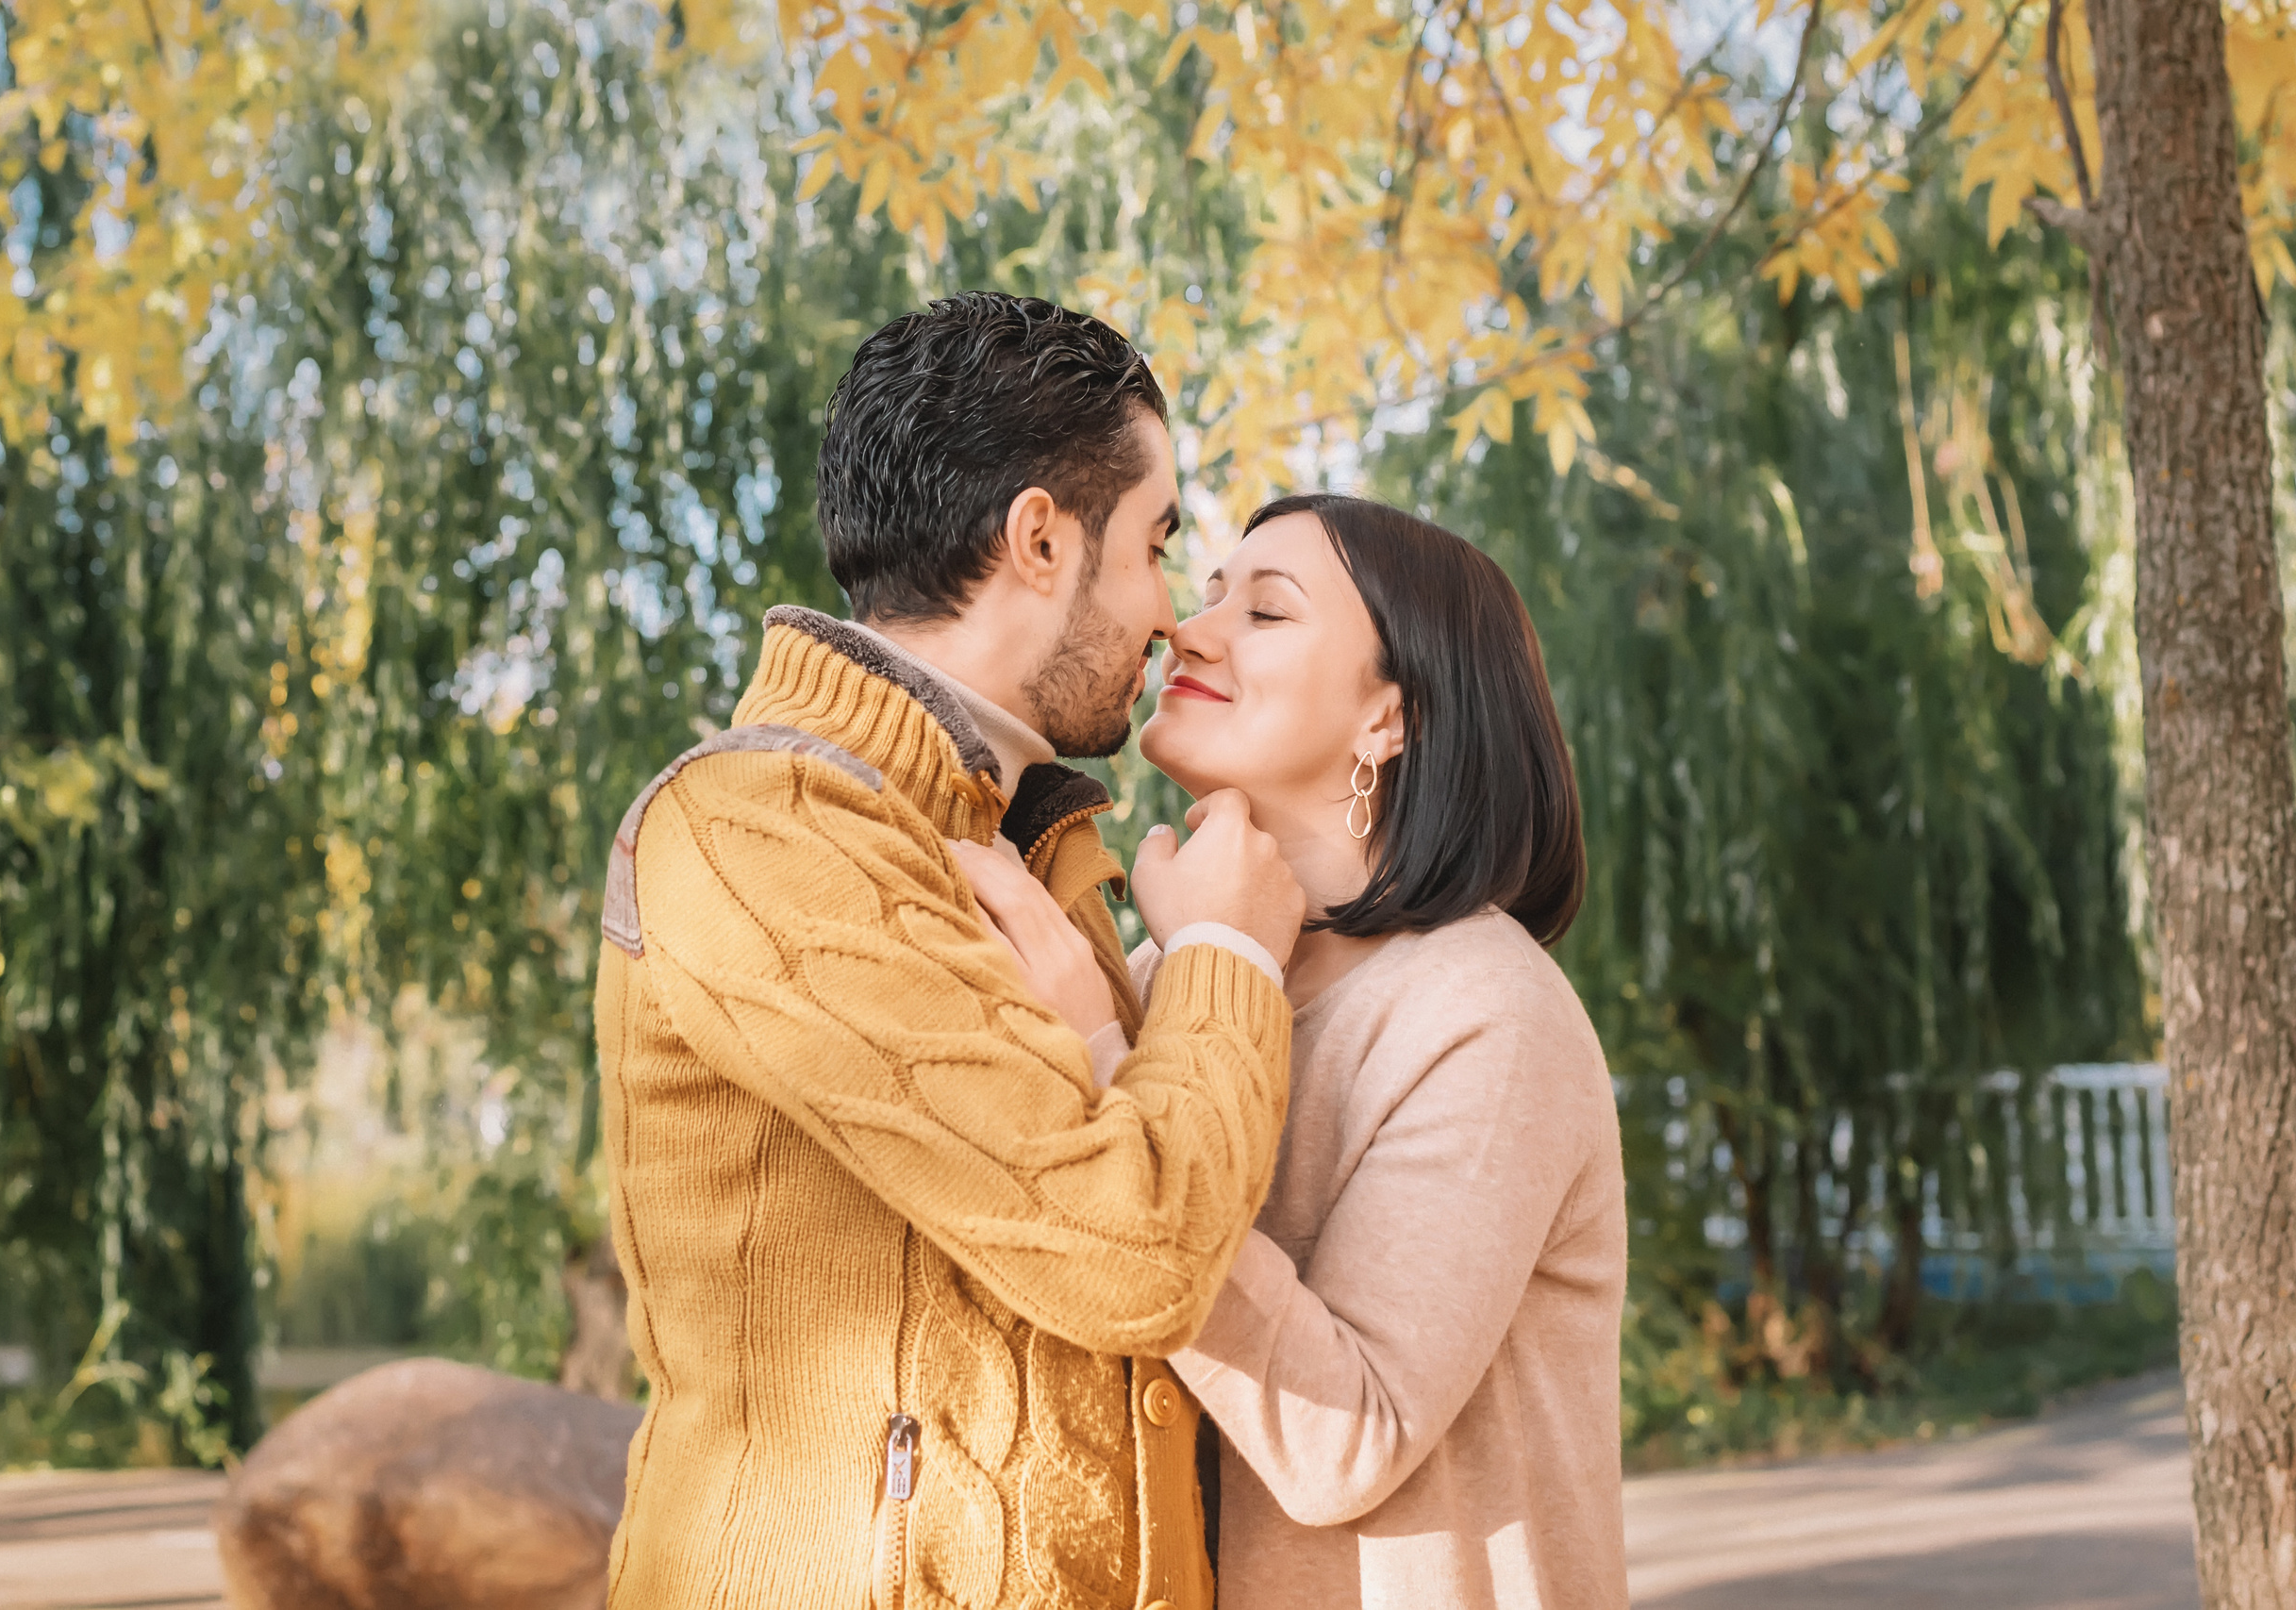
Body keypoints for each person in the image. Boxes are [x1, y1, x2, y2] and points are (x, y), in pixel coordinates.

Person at [593, 293, 1305, 1609]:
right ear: (1041, 538)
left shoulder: (1030, 842)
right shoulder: (758, 829)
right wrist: (1225, 958)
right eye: (1153, 543)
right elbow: (1136, 1251)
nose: (1167, 614)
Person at [976, 493, 1628, 1608]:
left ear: (1389, 717)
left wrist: (1099, 1057)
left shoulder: (1484, 1012)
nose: (1192, 626)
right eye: (1211, 588)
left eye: (1266, 612)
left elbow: (1348, 1440)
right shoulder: (1163, 979)